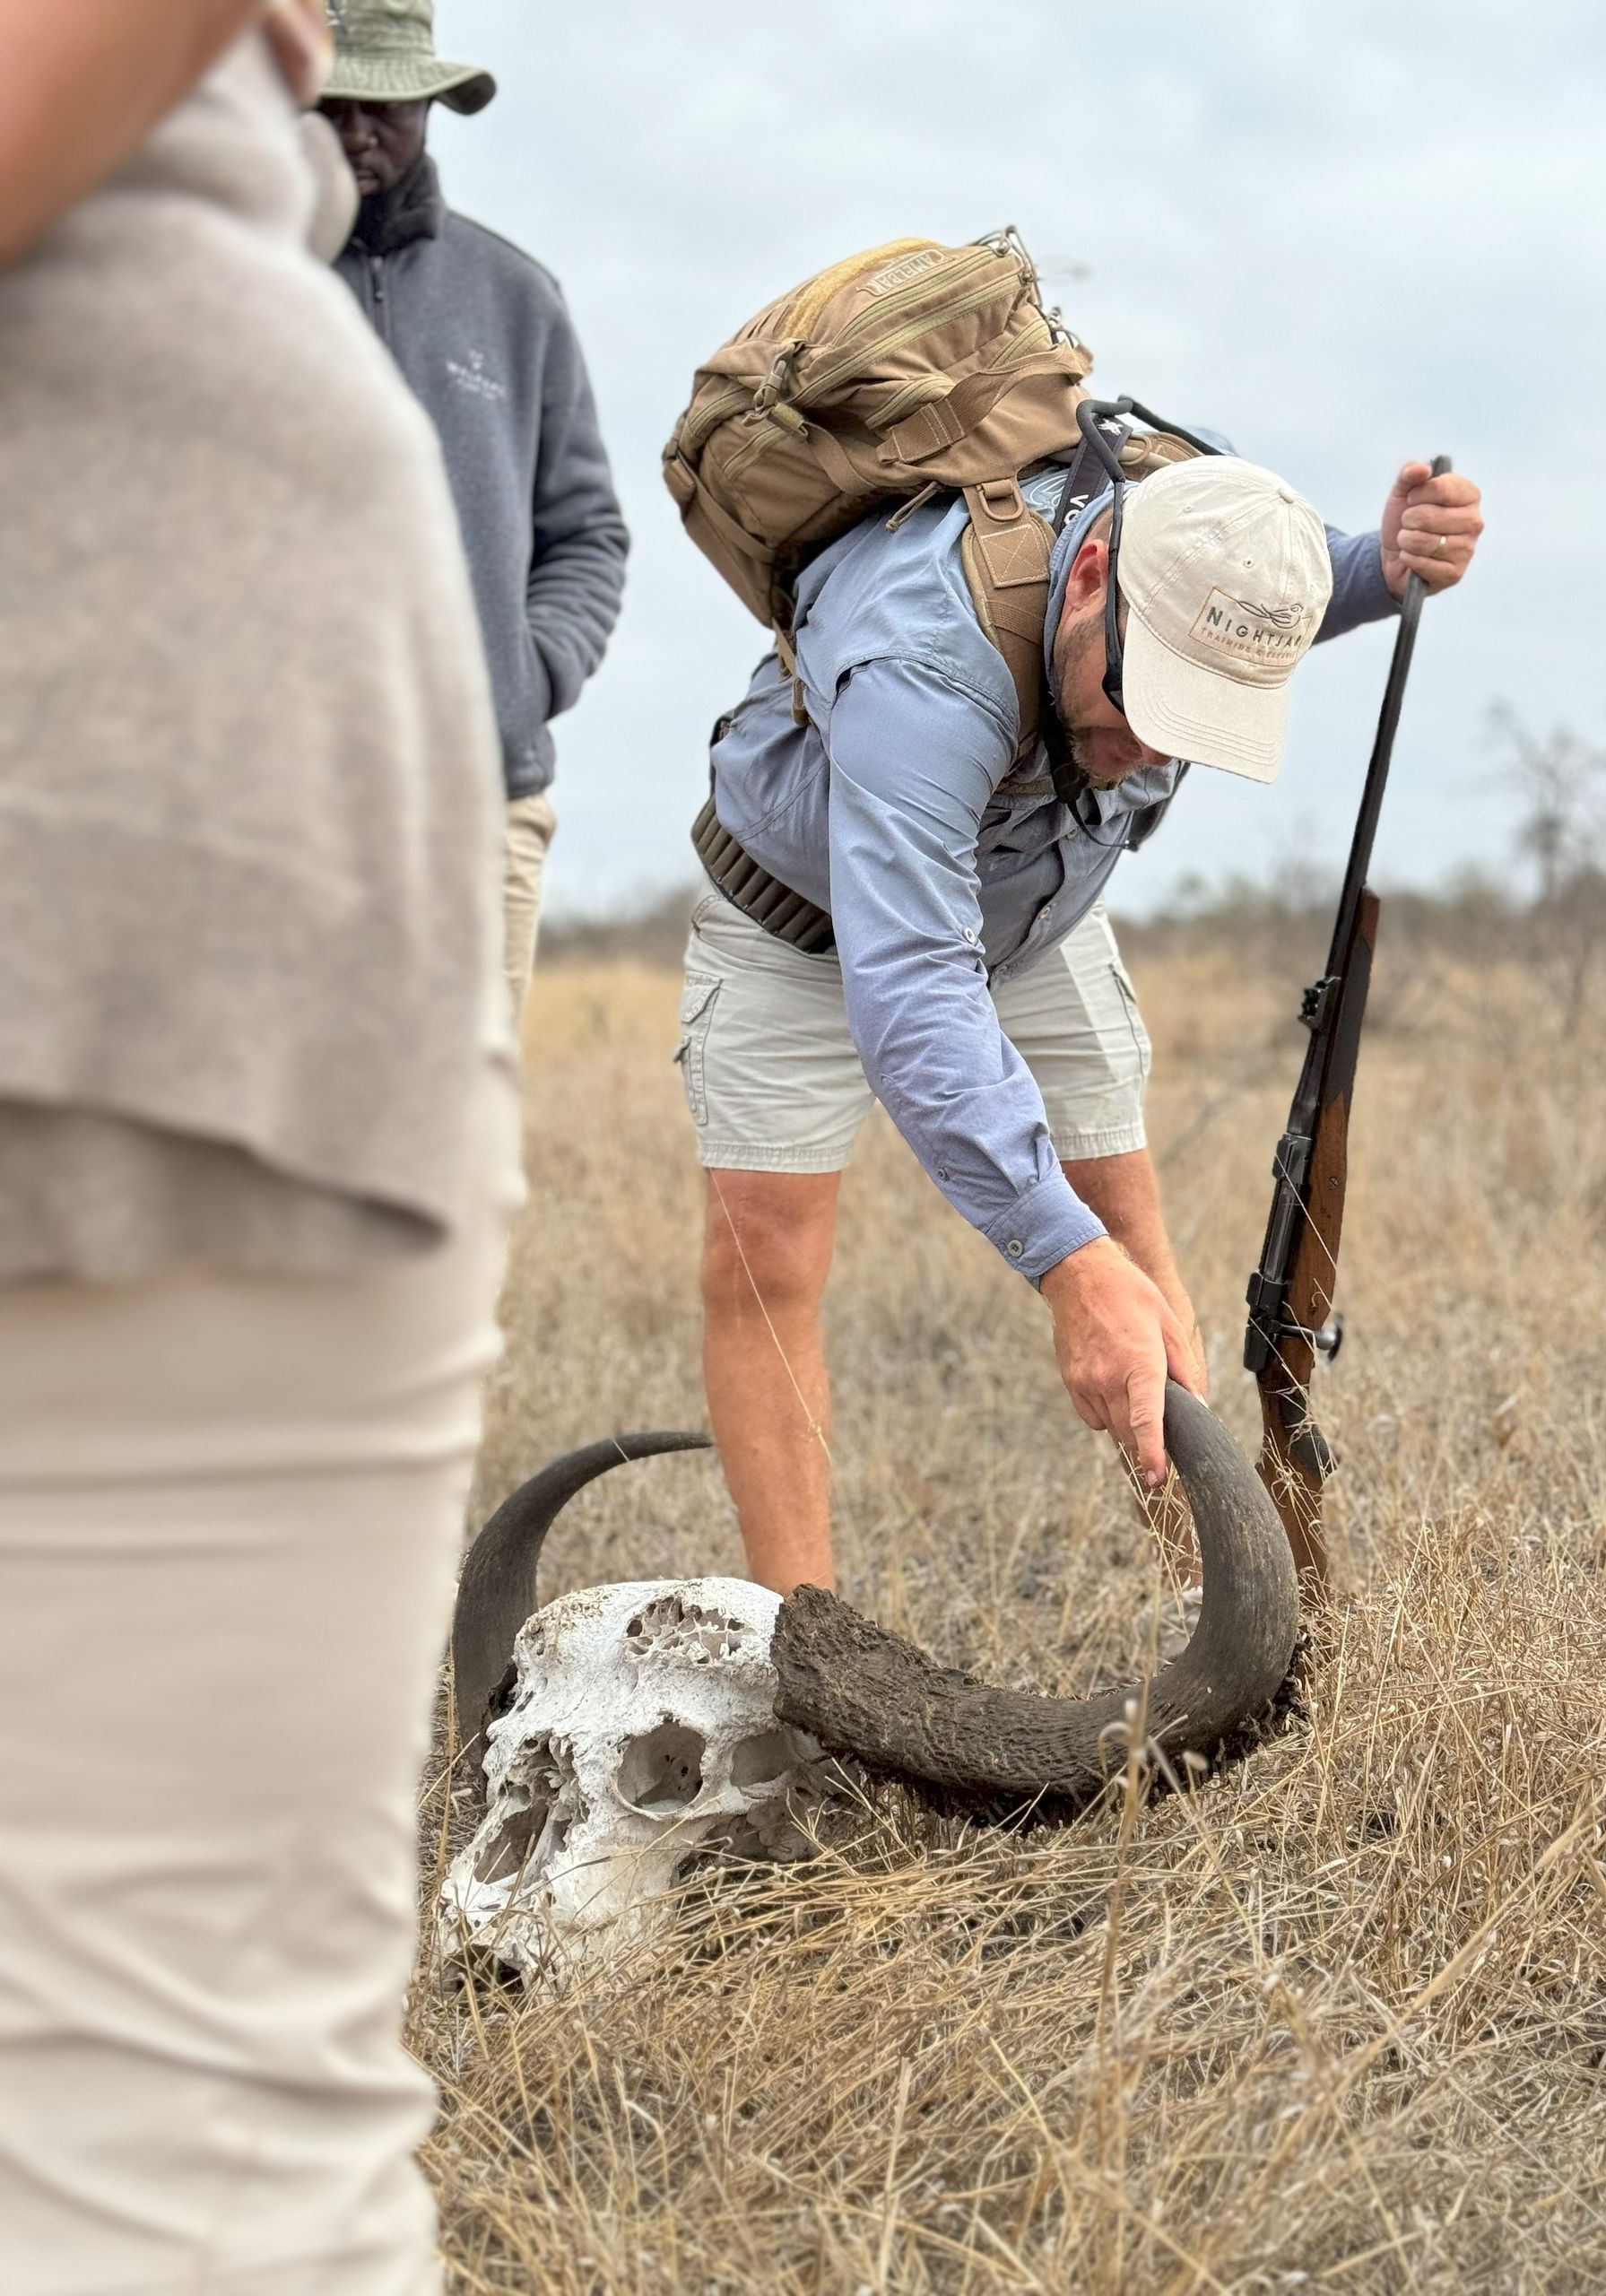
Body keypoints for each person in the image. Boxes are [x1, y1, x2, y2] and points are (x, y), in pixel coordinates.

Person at [0, 7, 517, 2291]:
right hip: (218, 723)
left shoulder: (504, 305)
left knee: (161, 2130)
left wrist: (530, 686)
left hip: (138, 764)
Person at [683, 443, 1483, 1595]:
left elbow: (1262, 611)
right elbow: (912, 991)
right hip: (805, 915)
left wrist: (1381, 561)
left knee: (1130, 1232)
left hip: (1036, 909)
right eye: (1145, 698)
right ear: (1094, 571)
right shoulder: (925, 660)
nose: (1150, 752)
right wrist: (1063, 1264)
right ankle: (811, 1655)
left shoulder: (1190, 575)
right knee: (766, 1255)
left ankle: (1219, 1610)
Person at [318, 0, 629, 1018]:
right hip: (277, 807)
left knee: (457, 1150)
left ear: (432, 106)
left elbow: (587, 533)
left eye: (389, 105)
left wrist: (526, 677)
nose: (361, 130)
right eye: (334, 104)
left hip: (483, 805)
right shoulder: (227, 292)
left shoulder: (516, 298)